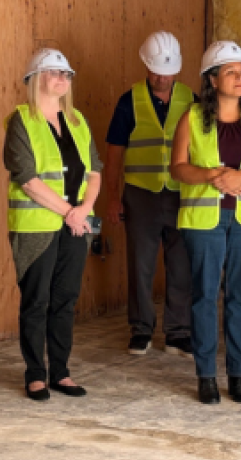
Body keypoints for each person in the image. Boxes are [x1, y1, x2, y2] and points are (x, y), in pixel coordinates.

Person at [171, 41, 241, 405]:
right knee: (204, 295)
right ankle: (205, 375)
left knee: (240, 298)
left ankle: (238, 375)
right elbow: (178, 167)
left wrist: (239, 178)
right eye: (231, 72)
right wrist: (209, 175)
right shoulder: (192, 117)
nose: (240, 77)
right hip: (204, 219)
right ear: (212, 79)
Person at [3, 48, 102, 402]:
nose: (62, 79)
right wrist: (70, 212)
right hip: (36, 228)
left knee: (65, 299)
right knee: (37, 300)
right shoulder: (21, 121)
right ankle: (35, 374)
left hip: (74, 226)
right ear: (34, 79)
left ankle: (60, 371)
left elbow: (94, 171)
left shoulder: (77, 120)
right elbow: (28, 179)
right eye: (54, 72)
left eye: (66, 74)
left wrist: (85, 209)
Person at [104, 31, 195, 357]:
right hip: (140, 193)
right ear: (146, 65)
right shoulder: (128, 101)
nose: (162, 77)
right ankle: (141, 329)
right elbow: (114, 154)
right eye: (156, 70)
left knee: (181, 264)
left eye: (168, 71)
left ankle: (178, 332)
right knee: (141, 264)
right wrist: (113, 197)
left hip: (181, 194)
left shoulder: (192, 100)